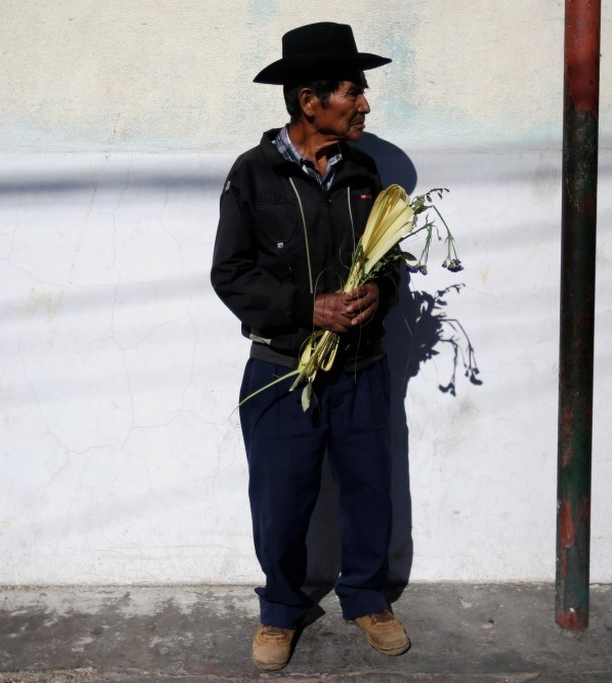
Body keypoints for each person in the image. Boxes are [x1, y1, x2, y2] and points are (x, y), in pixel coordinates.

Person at [210, 22, 409, 671]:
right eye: (353, 91)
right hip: (281, 369)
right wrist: (307, 308)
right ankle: (280, 608)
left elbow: (387, 261)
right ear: (309, 101)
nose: (365, 104)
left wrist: (380, 291)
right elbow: (230, 274)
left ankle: (367, 597)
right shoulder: (254, 174)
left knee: (369, 488)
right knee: (281, 497)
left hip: (361, 368)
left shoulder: (364, 171)